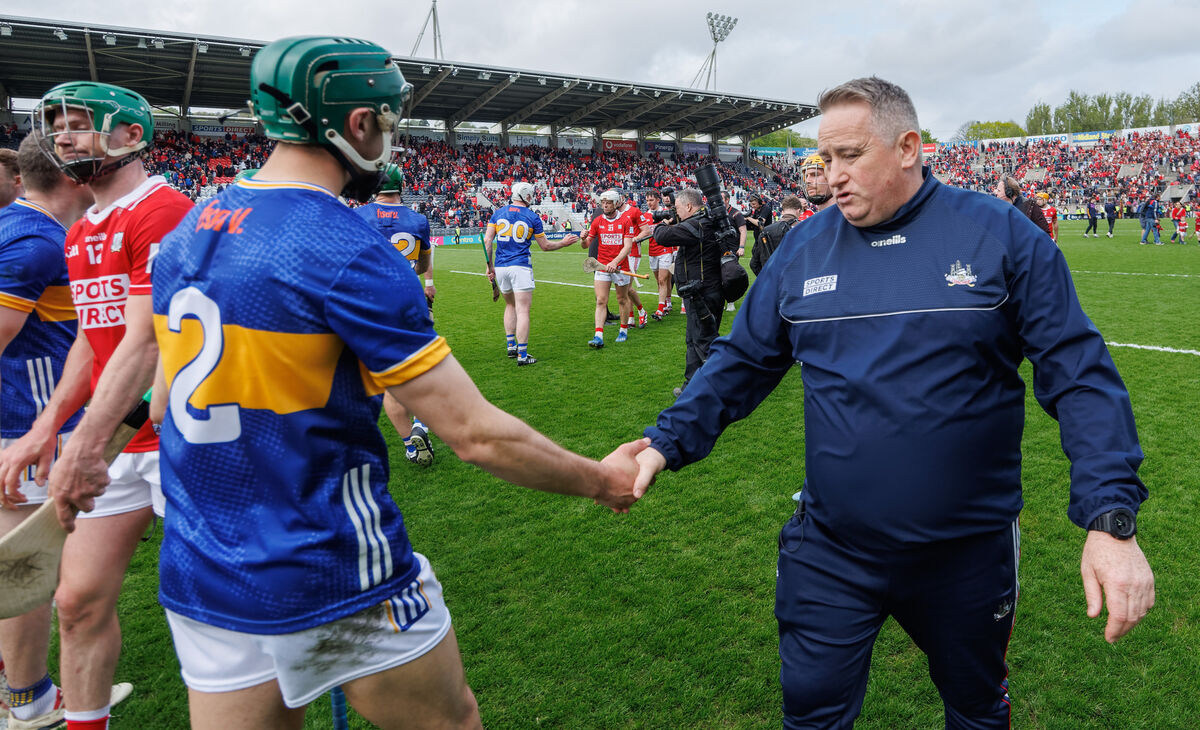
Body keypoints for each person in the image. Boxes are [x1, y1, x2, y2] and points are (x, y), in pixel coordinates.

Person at [615, 76, 1154, 728]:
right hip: (832, 548)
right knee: (812, 713)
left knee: (978, 709)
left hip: (967, 552)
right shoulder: (804, 249)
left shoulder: (998, 235)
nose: (832, 175)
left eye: (849, 155)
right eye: (824, 159)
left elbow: (1079, 373)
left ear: (908, 148)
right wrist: (666, 442)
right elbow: (741, 361)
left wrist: (1110, 516)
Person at [148, 35, 642, 730]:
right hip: (326, 558)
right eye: (387, 120)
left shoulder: (186, 228)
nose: (390, 137)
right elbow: (474, 435)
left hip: (202, 562)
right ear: (356, 125)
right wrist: (601, 480)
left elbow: (164, 397)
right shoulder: (345, 247)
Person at [0, 80, 193, 730]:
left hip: (178, 437)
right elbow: (93, 338)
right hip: (111, 441)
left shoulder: (162, 210)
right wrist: (44, 430)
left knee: (206, 606)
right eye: (57, 126)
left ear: (131, 136)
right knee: (76, 601)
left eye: (79, 124)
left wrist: (81, 444)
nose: (63, 136)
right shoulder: (83, 230)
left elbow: (145, 343)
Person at [0, 137, 95, 730]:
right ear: (73, 175)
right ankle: (28, 701)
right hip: (27, 428)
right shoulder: (36, 242)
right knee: (27, 570)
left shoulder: (16, 226)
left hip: (27, 424)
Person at [354, 164, 437, 465]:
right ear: (401, 185)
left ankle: (410, 446)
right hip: (408, 300)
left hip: (371, 304)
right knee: (424, 368)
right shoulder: (417, 220)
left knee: (389, 381)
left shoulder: (359, 215)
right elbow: (422, 263)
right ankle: (422, 425)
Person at [483, 182, 579, 365]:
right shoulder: (532, 217)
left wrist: (489, 266)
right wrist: (563, 243)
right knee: (523, 310)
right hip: (520, 266)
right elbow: (545, 246)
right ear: (526, 195)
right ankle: (522, 355)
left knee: (510, 306)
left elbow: (488, 241)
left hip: (501, 266)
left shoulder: (498, 213)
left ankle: (511, 346)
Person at [651, 188, 722, 397]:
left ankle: (714, 388)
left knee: (703, 342)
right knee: (694, 340)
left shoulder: (697, 224)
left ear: (689, 206)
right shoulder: (704, 221)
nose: (677, 213)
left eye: (679, 209)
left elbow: (662, 236)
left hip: (702, 293)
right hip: (701, 292)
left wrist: (664, 222)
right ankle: (691, 386)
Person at [582, 190, 635, 348]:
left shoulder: (626, 221)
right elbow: (586, 245)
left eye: (609, 202)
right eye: (603, 202)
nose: (605, 205)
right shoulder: (597, 221)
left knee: (622, 299)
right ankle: (598, 335)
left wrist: (615, 261)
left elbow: (628, 246)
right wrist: (583, 239)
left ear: (617, 203)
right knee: (601, 300)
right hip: (602, 266)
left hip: (620, 266)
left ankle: (623, 330)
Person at [635, 189, 676, 321]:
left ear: (658, 199)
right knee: (660, 281)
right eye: (647, 200)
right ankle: (666, 302)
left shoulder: (665, 213)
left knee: (663, 279)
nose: (649, 203)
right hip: (652, 251)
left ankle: (660, 309)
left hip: (665, 249)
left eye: (651, 200)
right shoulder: (644, 216)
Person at [613, 191, 648, 328]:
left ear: (621, 198)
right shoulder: (613, 214)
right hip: (618, 253)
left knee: (627, 287)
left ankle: (641, 311)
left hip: (632, 252)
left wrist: (633, 239)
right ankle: (631, 318)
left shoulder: (633, 211)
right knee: (623, 288)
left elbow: (646, 230)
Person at [750, 194, 802, 275]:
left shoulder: (766, 231)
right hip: (796, 278)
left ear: (782, 212)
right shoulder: (804, 228)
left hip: (772, 278)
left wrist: (766, 279)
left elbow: (754, 263)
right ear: (799, 211)